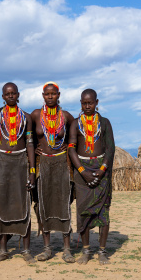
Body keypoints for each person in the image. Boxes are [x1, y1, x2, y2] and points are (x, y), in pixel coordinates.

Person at [0, 82, 37, 264]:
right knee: (2, 205)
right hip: (3, 162)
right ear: (3, 97)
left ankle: (26, 249)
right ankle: (3, 250)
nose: (11, 96)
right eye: (7, 94)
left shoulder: (26, 118)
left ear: (18, 94)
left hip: (21, 162)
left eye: (14, 93)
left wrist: (32, 171)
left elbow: (30, 144)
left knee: (24, 205)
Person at [68, 89, 115, 265]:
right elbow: (71, 148)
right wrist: (82, 170)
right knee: (83, 211)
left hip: (102, 168)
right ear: (81, 103)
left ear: (97, 102)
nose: (87, 106)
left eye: (90, 103)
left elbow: (110, 148)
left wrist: (103, 169)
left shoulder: (104, 123)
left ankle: (102, 251)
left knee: (104, 212)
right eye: (84, 103)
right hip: (82, 170)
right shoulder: (75, 123)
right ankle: (86, 251)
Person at [31, 82, 75, 263]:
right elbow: (29, 138)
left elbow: (76, 134)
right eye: (47, 94)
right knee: (44, 205)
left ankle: (67, 249)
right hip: (44, 165)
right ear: (43, 95)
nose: (50, 97)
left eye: (53, 94)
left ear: (59, 95)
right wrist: (33, 149)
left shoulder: (65, 116)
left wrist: (69, 145)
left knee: (63, 204)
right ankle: (47, 248)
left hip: (61, 163)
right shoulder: (35, 115)